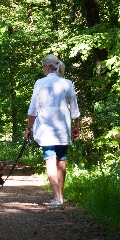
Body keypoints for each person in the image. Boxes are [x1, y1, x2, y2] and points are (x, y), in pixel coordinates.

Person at [26, 54, 80, 206]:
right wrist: (76, 126)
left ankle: (57, 198)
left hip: (46, 129)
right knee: (61, 161)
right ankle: (60, 196)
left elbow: (32, 109)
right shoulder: (67, 83)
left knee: (50, 161)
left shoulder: (40, 83)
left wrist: (29, 127)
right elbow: (74, 107)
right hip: (63, 128)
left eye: (43, 66)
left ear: (48, 67)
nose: (43, 69)